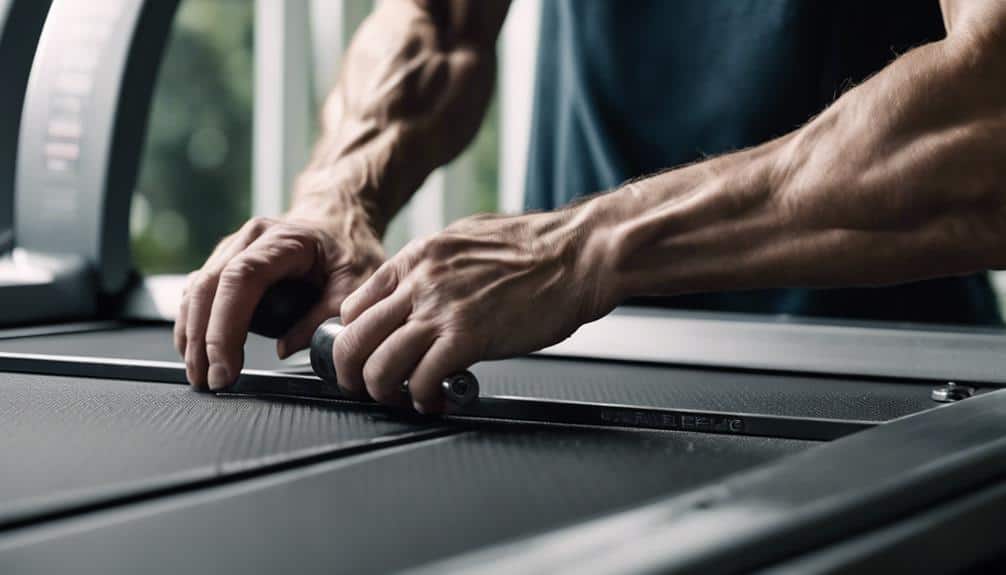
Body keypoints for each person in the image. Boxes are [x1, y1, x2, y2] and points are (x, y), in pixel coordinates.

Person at [174, 0, 1006, 413]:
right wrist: (333, 201)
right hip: (568, 366)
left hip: (879, 377)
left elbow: (990, 114)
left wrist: (583, 247)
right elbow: (437, 23)